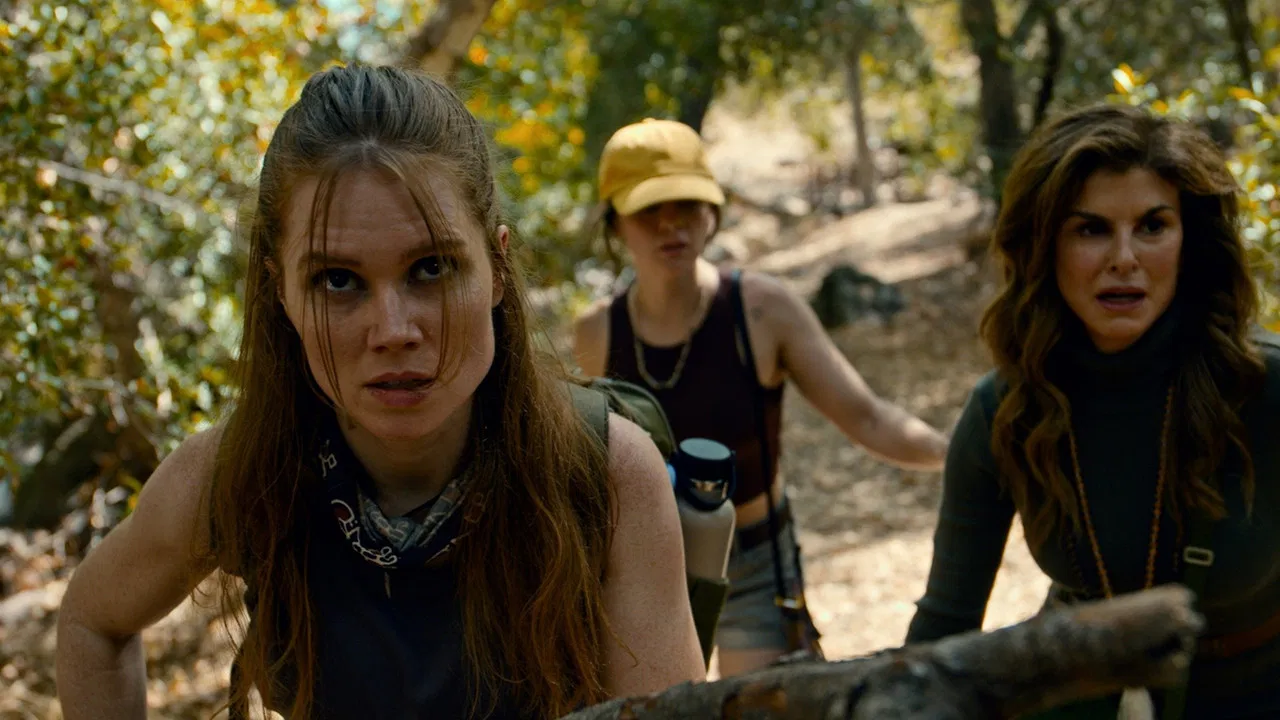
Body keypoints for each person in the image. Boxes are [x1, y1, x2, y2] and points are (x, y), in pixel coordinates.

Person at [54, 65, 706, 720]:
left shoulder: (607, 474)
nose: (393, 331)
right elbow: (92, 622)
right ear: (281, 292)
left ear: (497, 267)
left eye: (431, 268)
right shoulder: (238, 473)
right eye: (338, 281)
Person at [905, 102, 1280, 719]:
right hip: (1081, 698)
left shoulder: (1264, 386)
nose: (1124, 258)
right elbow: (944, 623)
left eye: (1152, 226)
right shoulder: (1007, 411)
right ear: (1044, 246)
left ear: (1189, 241)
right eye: (1091, 230)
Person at [572, 118, 950, 677]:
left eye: (686, 203)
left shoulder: (761, 309)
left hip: (755, 560)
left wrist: (964, 454)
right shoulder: (597, 333)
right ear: (615, 224)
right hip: (645, 564)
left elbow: (868, 417)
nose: (670, 224)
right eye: (648, 209)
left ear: (712, 212)